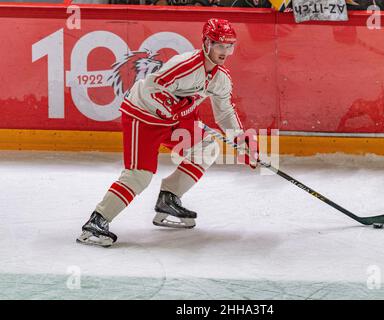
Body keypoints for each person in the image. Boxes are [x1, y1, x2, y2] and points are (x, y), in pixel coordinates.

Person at [77, 18, 258, 247]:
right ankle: (97, 220)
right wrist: (172, 108)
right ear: (206, 43)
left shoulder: (221, 79)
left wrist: (242, 141)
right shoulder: (185, 65)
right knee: (139, 175)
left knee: (208, 146)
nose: (225, 51)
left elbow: (224, 112)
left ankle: (169, 197)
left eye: (229, 45)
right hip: (143, 115)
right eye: (219, 45)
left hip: (173, 119)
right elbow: (152, 88)